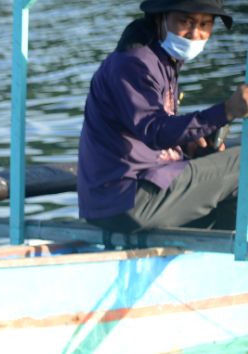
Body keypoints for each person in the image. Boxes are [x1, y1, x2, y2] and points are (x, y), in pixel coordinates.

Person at [78, 0, 248, 232]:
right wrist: (227, 111)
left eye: (205, 24)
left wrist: (187, 145)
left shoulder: (161, 60)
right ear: (160, 18)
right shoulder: (135, 63)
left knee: (223, 172)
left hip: (126, 199)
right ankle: (228, 255)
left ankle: (217, 252)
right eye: (185, 22)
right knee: (243, 161)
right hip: (127, 200)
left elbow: (148, 129)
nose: (195, 34)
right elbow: (155, 130)